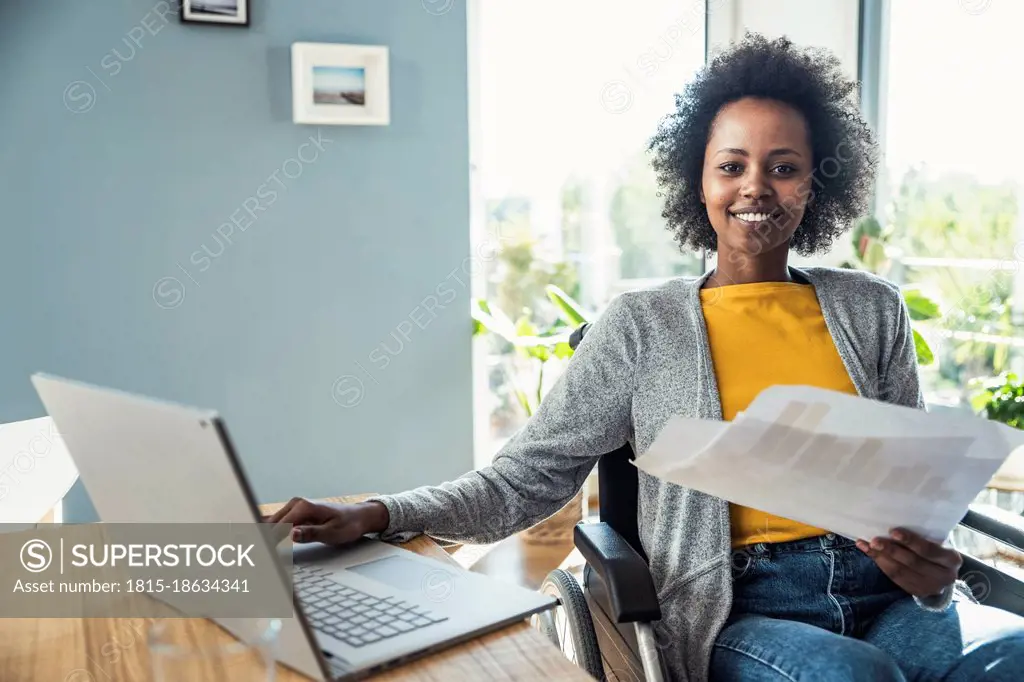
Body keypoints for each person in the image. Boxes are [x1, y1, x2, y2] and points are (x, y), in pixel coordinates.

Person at [268, 33, 1024, 682]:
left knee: (1011, 651)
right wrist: (380, 511)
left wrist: (931, 569)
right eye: (732, 166)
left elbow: (912, 490)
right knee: (851, 676)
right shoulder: (641, 325)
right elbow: (525, 478)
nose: (755, 186)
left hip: (883, 593)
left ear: (816, 182)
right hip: (741, 605)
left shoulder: (871, 308)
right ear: (697, 179)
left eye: (784, 166)